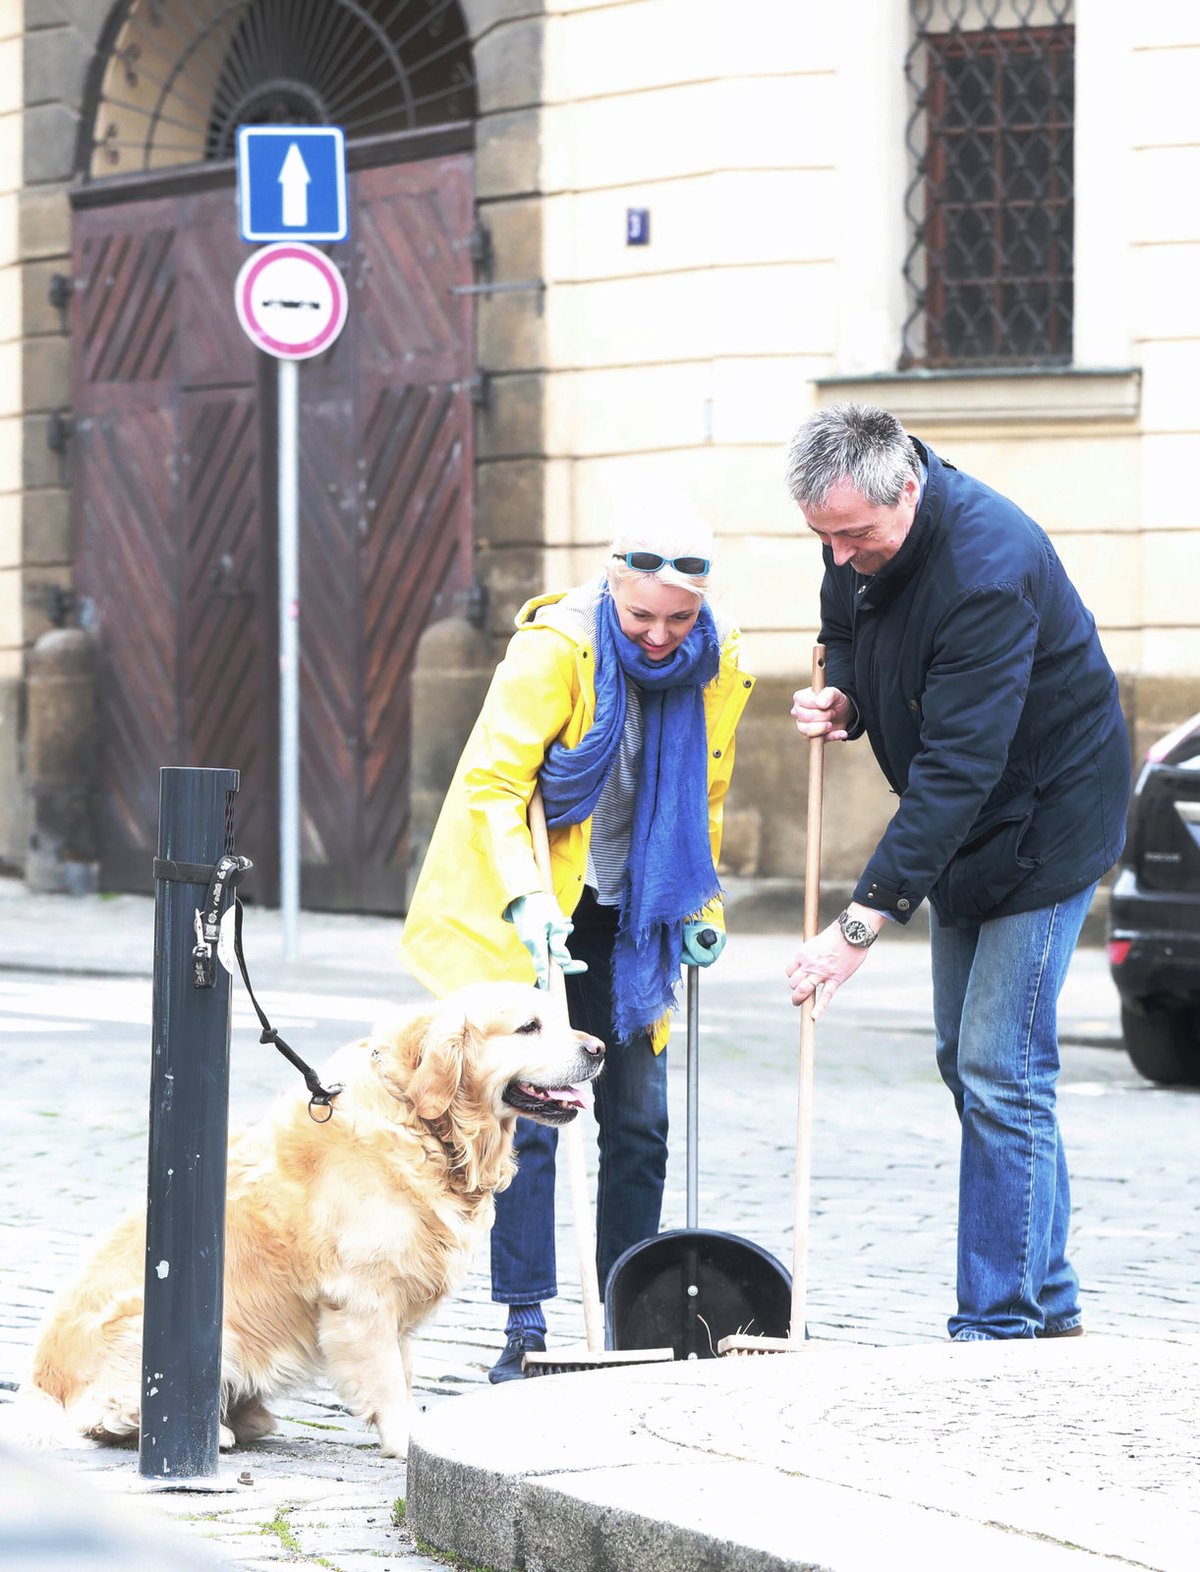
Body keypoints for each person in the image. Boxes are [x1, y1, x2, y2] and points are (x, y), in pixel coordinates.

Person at [783, 403, 1130, 1342]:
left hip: (1046, 820)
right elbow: (843, 622)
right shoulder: (854, 526)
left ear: (909, 487)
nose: (842, 553)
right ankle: (1046, 1300)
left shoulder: (988, 565)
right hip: (969, 830)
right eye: (826, 537)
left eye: (855, 535)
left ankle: (1000, 1325)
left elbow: (957, 774)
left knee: (999, 1064)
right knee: (971, 1062)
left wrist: (859, 926)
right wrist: (847, 697)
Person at [398, 512, 755, 1379]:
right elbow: (495, 785)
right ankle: (526, 1324)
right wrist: (526, 899)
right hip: (538, 903)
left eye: (679, 617)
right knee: (531, 1118)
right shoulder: (556, 647)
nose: (661, 635)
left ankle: (627, 1318)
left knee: (639, 1121)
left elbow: (706, 789)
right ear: (613, 587)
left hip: (637, 914)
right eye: (642, 617)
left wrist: (702, 902)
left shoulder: (718, 659)